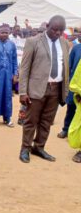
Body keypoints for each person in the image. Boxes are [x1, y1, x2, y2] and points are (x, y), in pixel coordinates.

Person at [19, 15, 69, 163]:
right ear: (47, 26)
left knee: (47, 121)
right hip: (36, 89)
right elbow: (25, 68)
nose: (58, 33)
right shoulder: (33, 42)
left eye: (61, 30)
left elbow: (65, 68)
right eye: (55, 30)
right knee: (31, 120)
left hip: (56, 89)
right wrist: (23, 92)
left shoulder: (65, 44)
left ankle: (39, 147)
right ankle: (25, 149)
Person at [57, 38, 81, 140]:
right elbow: (69, 66)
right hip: (75, 84)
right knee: (71, 107)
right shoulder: (76, 48)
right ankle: (66, 129)